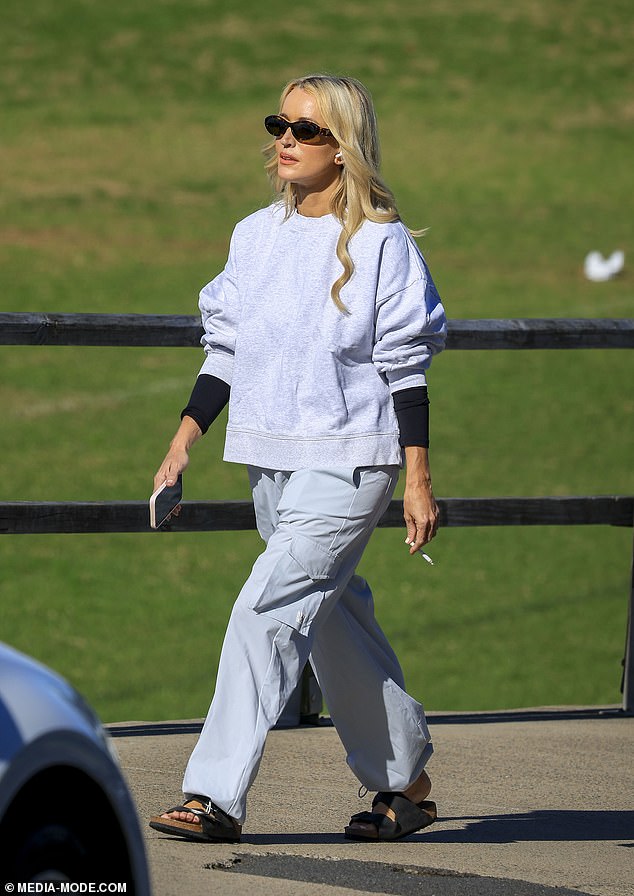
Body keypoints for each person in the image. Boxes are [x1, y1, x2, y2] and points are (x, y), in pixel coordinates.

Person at [149, 73, 447, 844]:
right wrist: (185, 439)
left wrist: (417, 479)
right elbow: (227, 349)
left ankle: (213, 795)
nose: (286, 138)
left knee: (267, 609)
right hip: (270, 461)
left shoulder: (382, 244)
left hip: (352, 462)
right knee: (332, 625)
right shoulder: (254, 235)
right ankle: (405, 784)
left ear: (343, 146)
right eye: (280, 123)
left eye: (307, 130)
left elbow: (404, 366)